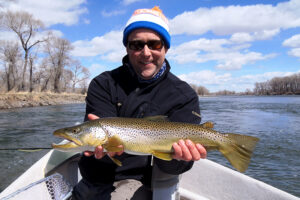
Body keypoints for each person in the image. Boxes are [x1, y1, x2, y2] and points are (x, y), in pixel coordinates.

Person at [72, 6, 207, 200]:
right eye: (137, 45)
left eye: (154, 44)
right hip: (96, 175)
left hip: (139, 181)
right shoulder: (104, 84)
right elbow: (94, 144)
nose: (146, 52)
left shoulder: (184, 95)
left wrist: (179, 158)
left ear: (165, 47)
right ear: (127, 47)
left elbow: (175, 167)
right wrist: (104, 149)